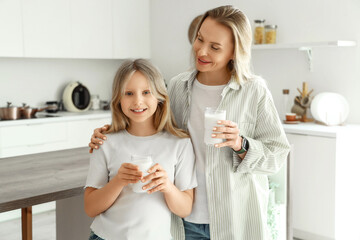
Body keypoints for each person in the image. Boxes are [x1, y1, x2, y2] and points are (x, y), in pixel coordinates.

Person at [89, 5, 290, 240]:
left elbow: (277, 155)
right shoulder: (177, 87)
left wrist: (240, 144)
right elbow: (146, 122)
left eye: (215, 47)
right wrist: (109, 132)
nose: (202, 51)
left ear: (235, 51)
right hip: (185, 220)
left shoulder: (254, 91)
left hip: (234, 217)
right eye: (199, 39)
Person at [84, 59, 197, 240]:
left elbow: (185, 209)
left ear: (160, 96)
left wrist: (167, 186)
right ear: (118, 99)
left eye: (146, 92)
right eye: (128, 93)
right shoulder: (105, 142)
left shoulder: (179, 144)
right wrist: (118, 181)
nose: (138, 101)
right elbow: (90, 207)